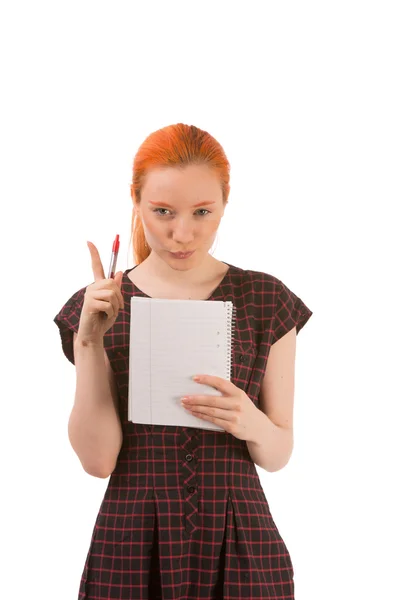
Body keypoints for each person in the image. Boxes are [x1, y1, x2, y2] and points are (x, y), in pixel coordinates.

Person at [54, 122, 313, 600]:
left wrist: (249, 421)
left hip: (239, 540)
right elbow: (98, 461)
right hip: (132, 540)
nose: (182, 233)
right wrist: (89, 343)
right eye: (162, 212)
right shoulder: (101, 306)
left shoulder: (266, 299)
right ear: (136, 203)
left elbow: (278, 454)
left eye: (202, 212)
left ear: (224, 206)